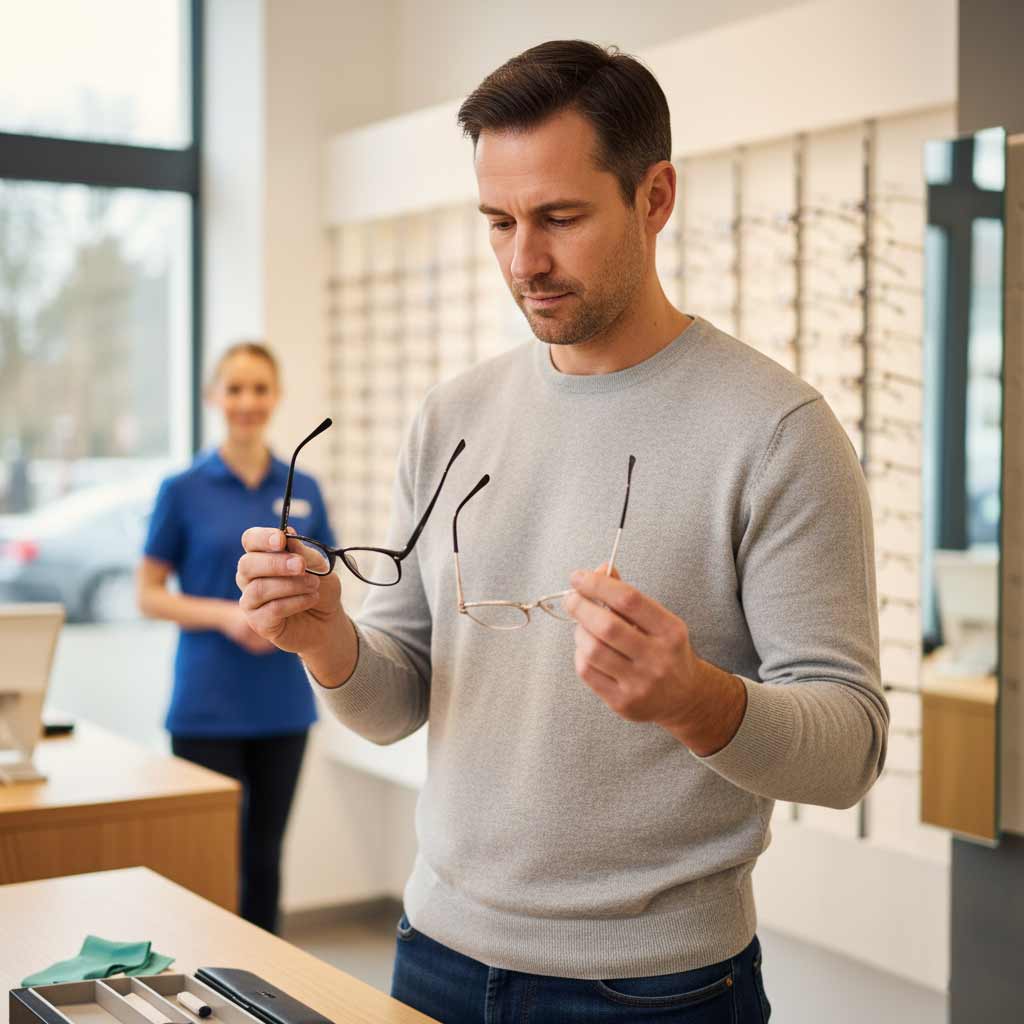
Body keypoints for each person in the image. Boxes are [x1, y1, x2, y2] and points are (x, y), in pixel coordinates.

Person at [236, 41, 889, 1022]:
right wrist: (324, 637)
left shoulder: (777, 431)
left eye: (558, 218)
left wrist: (698, 702)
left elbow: (850, 747)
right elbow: (395, 700)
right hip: (434, 953)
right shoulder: (451, 414)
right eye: (497, 222)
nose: (521, 260)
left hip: (656, 988)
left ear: (654, 196)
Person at [138, 341, 335, 934]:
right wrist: (229, 616)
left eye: (259, 388)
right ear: (212, 397)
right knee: (207, 868)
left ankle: (259, 996)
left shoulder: (306, 488)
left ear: (274, 397)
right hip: (207, 708)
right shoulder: (183, 489)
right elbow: (147, 593)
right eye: (235, 388)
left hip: (282, 704)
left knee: (264, 862)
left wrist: (290, 612)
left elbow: (327, 578)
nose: (247, 401)